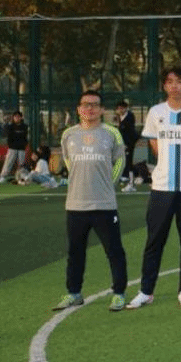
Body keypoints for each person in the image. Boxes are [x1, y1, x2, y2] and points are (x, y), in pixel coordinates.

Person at [126, 67, 181, 310]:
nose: (174, 86)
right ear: (164, 86)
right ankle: (146, 291)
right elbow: (153, 141)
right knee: (154, 240)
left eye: (179, 81)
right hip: (161, 186)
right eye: (170, 82)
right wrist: (164, 162)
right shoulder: (156, 112)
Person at [52, 90, 128, 311]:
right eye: (86, 104)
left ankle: (119, 293)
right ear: (79, 109)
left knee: (114, 251)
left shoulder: (111, 133)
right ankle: (74, 293)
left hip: (104, 204)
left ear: (102, 110)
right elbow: (69, 163)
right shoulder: (68, 135)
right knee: (75, 252)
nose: (90, 108)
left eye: (95, 105)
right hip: (76, 204)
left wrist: (107, 185)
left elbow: (120, 162)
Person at [0, 111, 29, 183]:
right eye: (15, 117)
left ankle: (22, 177)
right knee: (8, 163)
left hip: (21, 148)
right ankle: (3, 176)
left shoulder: (24, 127)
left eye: (18, 117)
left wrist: (24, 145)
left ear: (21, 118)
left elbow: (25, 137)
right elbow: (8, 136)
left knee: (21, 164)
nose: (17, 118)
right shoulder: (11, 126)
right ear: (13, 118)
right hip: (12, 148)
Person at [114, 100, 138, 191]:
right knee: (125, 161)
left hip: (129, 142)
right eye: (119, 108)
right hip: (124, 143)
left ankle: (131, 183)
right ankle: (127, 179)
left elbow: (130, 132)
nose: (120, 110)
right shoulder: (120, 117)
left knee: (129, 161)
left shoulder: (130, 116)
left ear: (126, 108)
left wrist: (127, 144)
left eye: (122, 108)